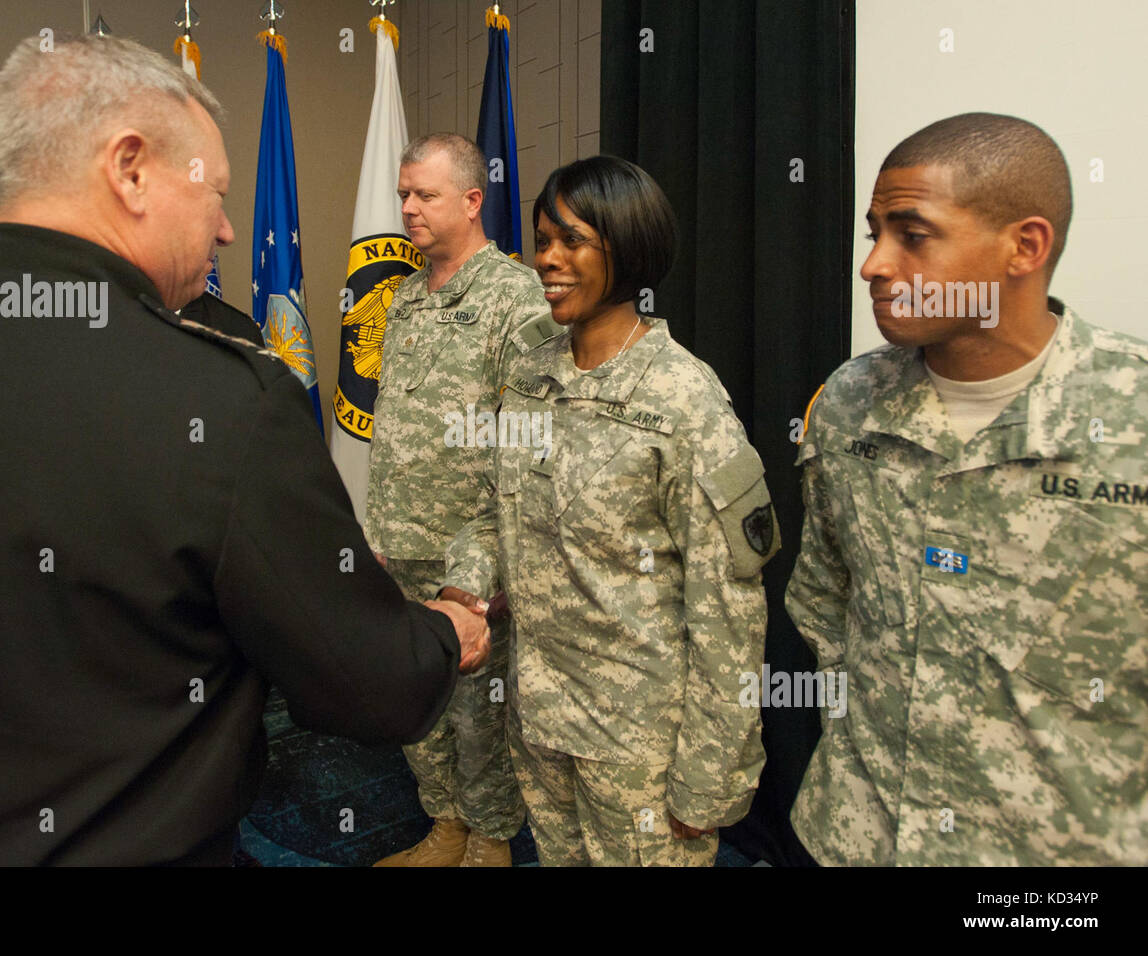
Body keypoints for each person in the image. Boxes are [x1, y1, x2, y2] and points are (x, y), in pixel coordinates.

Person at [0, 34, 490, 866]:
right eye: (215, 193)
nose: (227, 228)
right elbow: (367, 685)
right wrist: (445, 632)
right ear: (131, 169)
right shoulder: (225, 404)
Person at [786, 112, 1148, 866]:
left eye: (912, 235)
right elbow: (824, 598)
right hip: (861, 839)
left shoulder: (1131, 417)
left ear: (1026, 246)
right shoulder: (852, 402)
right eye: (873, 233)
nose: (874, 265)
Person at [441, 156, 779, 866]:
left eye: (573, 241)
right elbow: (487, 509)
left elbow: (729, 611)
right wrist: (464, 591)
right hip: (538, 718)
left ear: (627, 249)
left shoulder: (683, 399)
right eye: (542, 241)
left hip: (640, 747)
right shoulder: (530, 376)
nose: (548, 261)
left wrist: (710, 781)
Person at [367, 133, 557, 867]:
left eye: (425, 195)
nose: (408, 208)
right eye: (403, 195)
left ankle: (491, 840)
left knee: (481, 713)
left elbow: (530, 446)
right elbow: (396, 426)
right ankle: (444, 827)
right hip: (400, 542)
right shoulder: (408, 299)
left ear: (473, 201)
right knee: (419, 704)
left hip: (470, 555)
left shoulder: (517, 299)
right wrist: (377, 528)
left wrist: (492, 570)